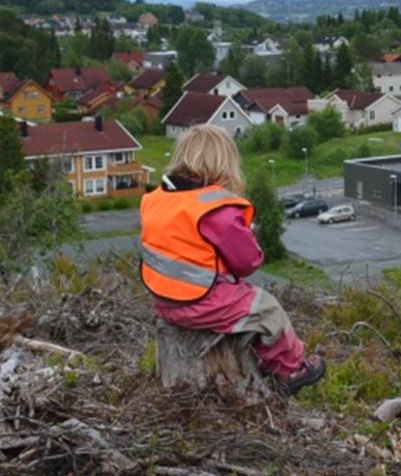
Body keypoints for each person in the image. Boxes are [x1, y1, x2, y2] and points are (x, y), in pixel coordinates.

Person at [138, 125, 326, 395]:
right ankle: (290, 369)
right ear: (224, 163)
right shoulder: (215, 209)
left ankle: (259, 358)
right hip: (202, 304)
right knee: (267, 310)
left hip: (164, 303)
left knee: (244, 309)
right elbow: (247, 263)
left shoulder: (157, 200)